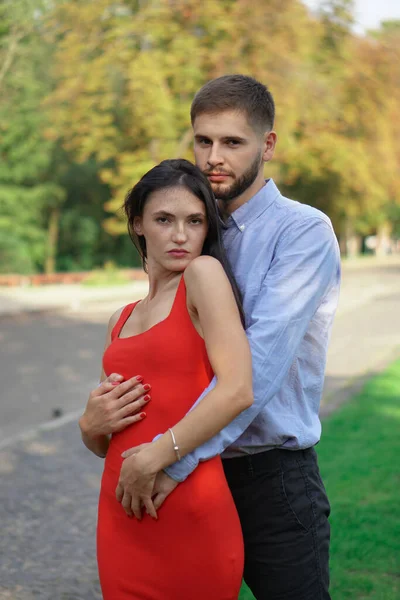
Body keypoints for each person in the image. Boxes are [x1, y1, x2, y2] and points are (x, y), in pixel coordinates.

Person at [82, 74, 341, 599]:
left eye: (232, 142)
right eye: (203, 141)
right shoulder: (191, 227)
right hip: (189, 478)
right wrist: (95, 426)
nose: (213, 157)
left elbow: (258, 369)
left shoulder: (302, 231)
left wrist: (170, 458)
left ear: (267, 145)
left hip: (269, 478)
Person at [79, 158, 253, 599]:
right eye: (163, 219)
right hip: (121, 518)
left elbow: (238, 389)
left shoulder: (202, 276)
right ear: (138, 224)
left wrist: (159, 455)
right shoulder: (119, 319)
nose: (180, 235)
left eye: (194, 221)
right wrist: (88, 426)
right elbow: (103, 444)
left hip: (190, 510)